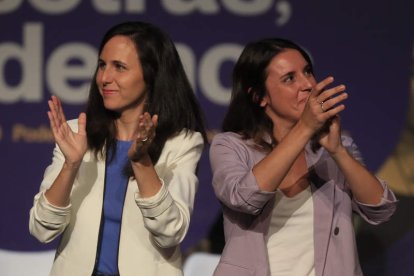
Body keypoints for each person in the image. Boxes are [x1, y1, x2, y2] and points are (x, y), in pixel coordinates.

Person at [29, 21, 207, 276]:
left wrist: (142, 161)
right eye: (102, 65)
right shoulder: (78, 134)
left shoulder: (181, 143)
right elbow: (42, 229)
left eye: (119, 67)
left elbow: (171, 232)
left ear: (151, 75)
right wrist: (71, 165)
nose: (104, 78)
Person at [209, 38, 397, 276]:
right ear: (259, 96)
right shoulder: (231, 145)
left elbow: (382, 209)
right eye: (290, 78)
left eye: (308, 72)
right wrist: (305, 128)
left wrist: (338, 151)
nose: (308, 84)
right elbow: (244, 199)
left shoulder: (335, 147)